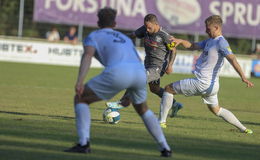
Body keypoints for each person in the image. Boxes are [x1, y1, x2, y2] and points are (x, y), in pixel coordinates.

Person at [64, 7, 172, 157]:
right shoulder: (124, 38)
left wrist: (80, 81)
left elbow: (87, 56)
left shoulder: (94, 36)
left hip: (119, 71)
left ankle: (83, 144)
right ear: (115, 23)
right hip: (138, 71)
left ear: (98, 22)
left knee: (81, 98)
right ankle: (165, 148)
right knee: (143, 110)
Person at [159, 15, 254, 134]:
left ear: (216, 27)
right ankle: (244, 129)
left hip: (202, 82)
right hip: (212, 86)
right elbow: (193, 46)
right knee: (216, 110)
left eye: (208, 29)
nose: (206, 31)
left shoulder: (221, 42)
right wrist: (181, 41)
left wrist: (243, 77)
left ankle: (161, 122)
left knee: (168, 89)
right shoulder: (210, 41)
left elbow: (233, 59)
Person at [106, 14, 183, 128]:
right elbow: (132, 35)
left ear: (156, 24)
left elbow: (173, 50)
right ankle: (175, 104)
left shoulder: (164, 36)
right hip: (147, 65)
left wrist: (170, 65)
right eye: (146, 27)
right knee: (154, 89)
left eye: (149, 27)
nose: (147, 30)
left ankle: (122, 103)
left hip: (158, 68)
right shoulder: (145, 30)